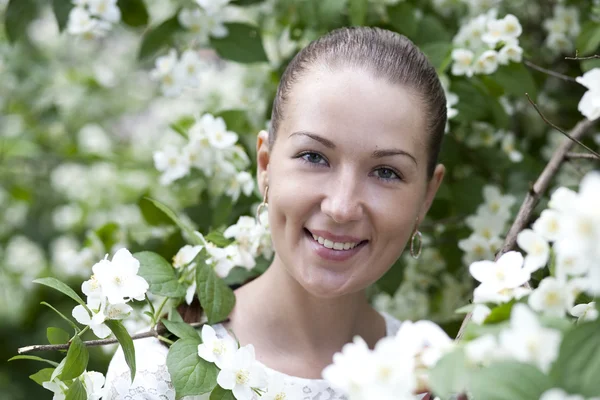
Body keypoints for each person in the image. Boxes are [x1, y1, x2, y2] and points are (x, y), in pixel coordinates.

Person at [103, 26, 447, 399]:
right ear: (265, 166)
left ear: (426, 197)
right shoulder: (155, 374)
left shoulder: (437, 375)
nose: (342, 207)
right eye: (314, 157)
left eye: (386, 172)